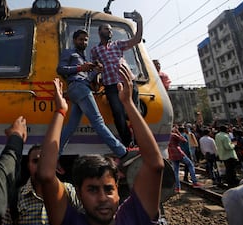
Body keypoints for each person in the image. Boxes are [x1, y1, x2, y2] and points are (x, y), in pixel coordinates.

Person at [37, 64, 164, 225]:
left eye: (109, 189)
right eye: (92, 190)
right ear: (78, 194)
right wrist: (60, 111)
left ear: (118, 190)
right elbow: (46, 175)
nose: (103, 198)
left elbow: (155, 165)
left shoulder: (133, 216)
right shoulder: (71, 221)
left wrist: (128, 104)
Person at [57, 29, 130, 163]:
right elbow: (60, 69)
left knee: (71, 127)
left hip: (80, 87)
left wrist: (96, 71)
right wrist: (80, 68)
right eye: (81, 39)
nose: (84, 42)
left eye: (86, 40)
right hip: (78, 87)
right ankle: (122, 152)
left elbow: (86, 78)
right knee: (98, 122)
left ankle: (54, 156)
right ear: (74, 40)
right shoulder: (69, 52)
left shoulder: (84, 58)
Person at [90, 11, 143, 147]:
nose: (110, 31)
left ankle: (140, 140)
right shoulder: (95, 50)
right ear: (99, 32)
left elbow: (136, 40)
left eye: (110, 30)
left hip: (127, 82)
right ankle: (128, 144)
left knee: (135, 112)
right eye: (107, 29)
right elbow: (94, 68)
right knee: (118, 114)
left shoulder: (118, 44)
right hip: (110, 85)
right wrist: (96, 73)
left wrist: (139, 22)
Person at [2, 144, 80, 225]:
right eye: (35, 161)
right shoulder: (15, 198)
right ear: (29, 165)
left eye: (45, 161)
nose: (41, 166)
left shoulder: (68, 192)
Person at [168, 126, 202, 193]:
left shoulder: (165, 137)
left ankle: (177, 188)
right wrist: (178, 132)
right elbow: (184, 140)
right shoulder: (174, 135)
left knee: (176, 171)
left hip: (171, 155)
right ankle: (194, 182)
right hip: (179, 153)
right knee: (190, 165)